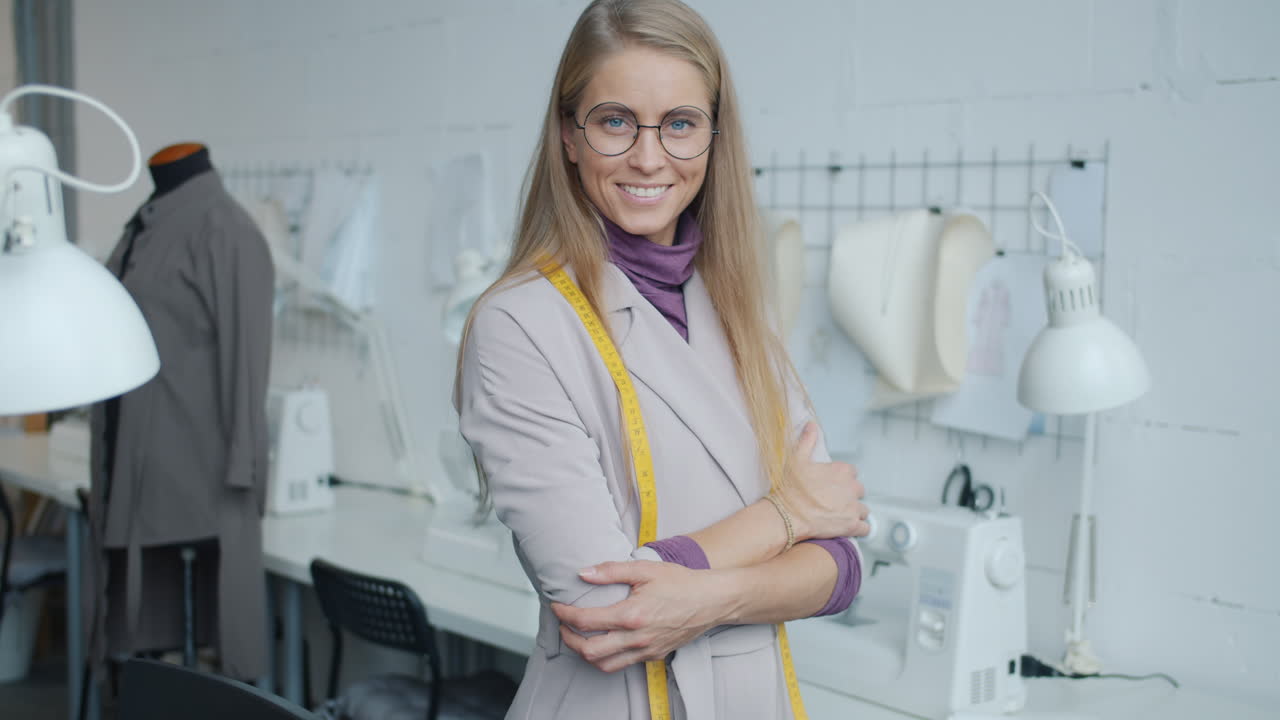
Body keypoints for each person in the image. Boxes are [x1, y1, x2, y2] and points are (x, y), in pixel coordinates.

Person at [455, 1, 869, 717]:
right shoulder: (519, 325)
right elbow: (603, 605)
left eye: (680, 124)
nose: (650, 158)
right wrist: (785, 517)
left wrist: (699, 592)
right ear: (570, 136)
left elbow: (843, 565)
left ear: (713, 138)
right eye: (616, 121)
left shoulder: (740, 308)